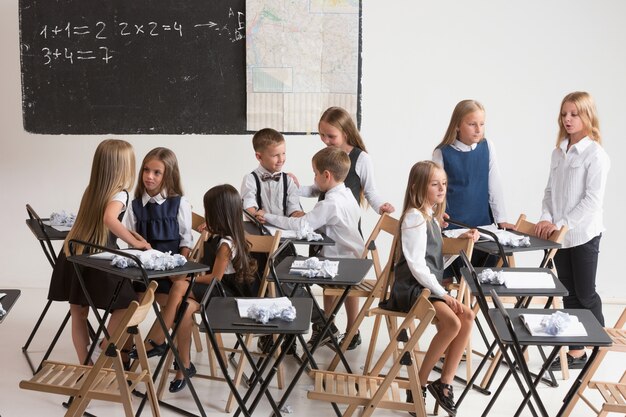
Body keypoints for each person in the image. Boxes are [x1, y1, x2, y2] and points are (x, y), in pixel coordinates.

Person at [294, 106, 394, 349]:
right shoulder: (329, 157)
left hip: (346, 229)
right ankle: (326, 327)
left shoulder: (361, 158)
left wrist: (381, 206)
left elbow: (370, 191)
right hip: (323, 228)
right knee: (327, 280)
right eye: (322, 135)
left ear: (346, 132)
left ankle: (353, 329)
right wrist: (292, 189)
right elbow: (317, 188)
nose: (326, 141)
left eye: (331, 136)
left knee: (347, 283)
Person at [47, 139, 151, 365]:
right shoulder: (121, 194)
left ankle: (86, 366)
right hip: (96, 259)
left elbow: (101, 221)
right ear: (125, 166)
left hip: (73, 255)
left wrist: (130, 235)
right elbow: (109, 219)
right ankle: (102, 348)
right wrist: (135, 241)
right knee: (127, 305)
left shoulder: (92, 190)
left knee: (79, 315)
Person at [261, 146, 365, 349]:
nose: (314, 178)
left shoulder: (331, 203)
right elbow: (313, 194)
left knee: (282, 275)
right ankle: (322, 325)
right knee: (286, 269)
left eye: (315, 174)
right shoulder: (346, 193)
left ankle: (321, 325)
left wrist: (267, 216)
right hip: (350, 260)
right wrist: (292, 188)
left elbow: (301, 226)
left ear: (326, 175)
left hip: (339, 266)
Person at [535, 91, 610, 370]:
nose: (567, 119)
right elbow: (550, 192)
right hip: (559, 236)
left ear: (587, 116)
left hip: (583, 234)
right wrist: (546, 219)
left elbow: (592, 200)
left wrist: (563, 223)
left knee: (586, 293)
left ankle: (599, 344)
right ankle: (577, 351)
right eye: (564, 114)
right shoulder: (558, 152)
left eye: (574, 114)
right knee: (568, 293)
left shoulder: (595, 155)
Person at [163, 184, 258, 393]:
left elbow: (216, 277)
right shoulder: (217, 236)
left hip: (222, 294)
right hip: (212, 291)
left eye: (209, 211)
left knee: (179, 285)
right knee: (185, 308)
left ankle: (160, 339)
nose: (206, 215)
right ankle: (184, 366)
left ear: (219, 214)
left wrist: (189, 276)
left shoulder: (226, 244)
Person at [124, 147, 193, 359]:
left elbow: (186, 241)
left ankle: (156, 346)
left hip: (169, 274)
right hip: (142, 271)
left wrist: (178, 272)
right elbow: (129, 239)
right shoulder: (134, 205)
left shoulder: (179, 203)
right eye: (146, 170)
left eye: (156, 172)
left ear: (169, 175)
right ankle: (123, 354)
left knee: (175, 303)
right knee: (125, 300)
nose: (149, 177)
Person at [433, 99, 515, 272]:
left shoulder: (487, 147)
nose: (478, 130)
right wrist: (437, 215)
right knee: (449, 277)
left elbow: (494, 185)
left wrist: (502, 219)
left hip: (483, 226)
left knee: (484, 275)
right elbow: (434, 191)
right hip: (453, 228)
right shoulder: (442, 153)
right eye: (472, 124)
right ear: (457, 125)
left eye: (482, 124)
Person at [241, 127, 304, 221]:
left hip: (283, 231)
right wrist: (255, 215)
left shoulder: (288, 180)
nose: (281, 159)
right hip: (259, 231)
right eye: (275, 155)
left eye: (283, 153)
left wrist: (301, 215)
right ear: (259, 157)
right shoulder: (250, 179)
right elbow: (248, 204)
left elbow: (294, 207)